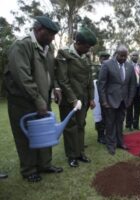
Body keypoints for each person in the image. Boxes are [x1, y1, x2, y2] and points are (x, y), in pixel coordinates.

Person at [4, 16, 63, 182]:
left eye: (54, 35)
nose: (52, 38)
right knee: (26, 136)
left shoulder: (48, 47)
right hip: (23, 101)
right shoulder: (22, 45)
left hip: (42, 98)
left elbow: (52, 71)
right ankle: (29, 170)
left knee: (45, 133)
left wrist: (56, 87)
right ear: (38, 30)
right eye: (49, 34)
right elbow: (22, 77)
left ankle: (45, 164)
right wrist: (38, 100)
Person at [56, 27, 96, 167]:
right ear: (78, 42)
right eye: (87, 46)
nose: (89, 49)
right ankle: (71, 155)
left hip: (83, 98)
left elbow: (89, 78)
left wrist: (91, 97)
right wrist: (73, 99)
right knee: (70, 127)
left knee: (80, 125)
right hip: (69, 99)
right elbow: (63, 80)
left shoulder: (86, 56)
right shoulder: (64, 54)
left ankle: (80, 153)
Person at [99, 45, 136, 155]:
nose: (124, 58)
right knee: (110, 123)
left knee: (120, 122)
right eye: (121, 56)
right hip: (110, 100)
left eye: (125, 56)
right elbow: (101, 84)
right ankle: (111, 145)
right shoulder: (107, 64)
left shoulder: (130, 66)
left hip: (123, 101)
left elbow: (132, 85)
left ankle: (120, 142)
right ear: (116, 54)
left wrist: (130, 99)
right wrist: (104, 100)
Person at [94, 51, 110, 144]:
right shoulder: (96, 68)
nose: (105, 59)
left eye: (107, 58)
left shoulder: (111, 68)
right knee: (98, 114)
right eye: (103, 57)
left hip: (108, 95)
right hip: (97, 94)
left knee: (107, 116)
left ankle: (107, 134)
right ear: (99, 59)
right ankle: (100, 136)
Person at [126, 51, 140, 130]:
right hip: (130, 90)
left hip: (138, 90)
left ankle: (136, 124)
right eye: (133, 55)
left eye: (136, 55)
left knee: (137, 108)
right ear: (130, 56)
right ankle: (129, 125)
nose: (135, 57)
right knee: (129, 108)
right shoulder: (127, 65)